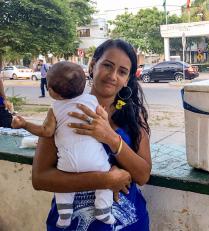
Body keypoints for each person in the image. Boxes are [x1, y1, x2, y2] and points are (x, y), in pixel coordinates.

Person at [32, 39, 152, 231]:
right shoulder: (63, 111)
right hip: (71, 224)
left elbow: (143, 175)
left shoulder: (133, 117)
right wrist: (105, 180)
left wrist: (110, 137)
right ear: (92, 65)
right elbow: (40, 178)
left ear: (127, 80)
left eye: (122, 72)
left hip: (129, 224)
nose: (113, 76)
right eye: (107, 65)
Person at [12, 62, 116, 228]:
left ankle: (64, 215)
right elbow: (102, 118)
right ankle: (103, 209)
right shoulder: (92, 100)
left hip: (67, 164)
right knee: (106, 181)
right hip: (95, 163)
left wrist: (24, 124)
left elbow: (46, 131)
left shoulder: (54, 108)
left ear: (52, 91)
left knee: (63, 187)